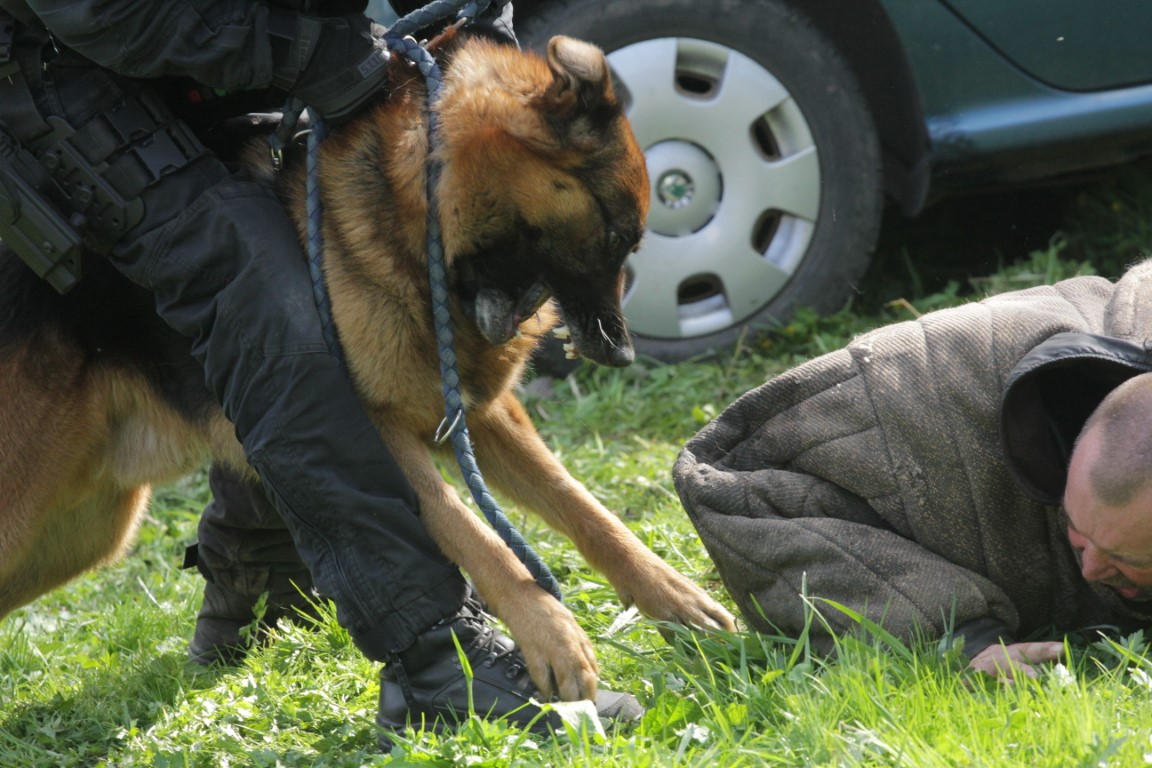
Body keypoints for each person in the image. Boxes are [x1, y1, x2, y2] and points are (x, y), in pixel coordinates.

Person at [0, 0, 635, 748]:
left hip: (202, 66)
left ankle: (262, 579)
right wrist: (312, 50)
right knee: (276, 313)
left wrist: (481, 59)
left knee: (89, 535)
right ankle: (439, 661)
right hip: (56, 68)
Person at [674, 258, 1152, 680]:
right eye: (1078, 533)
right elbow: (725, 485)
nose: (1089, 567)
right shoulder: (891, 409)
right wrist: (958, 640)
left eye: (1124, 558)